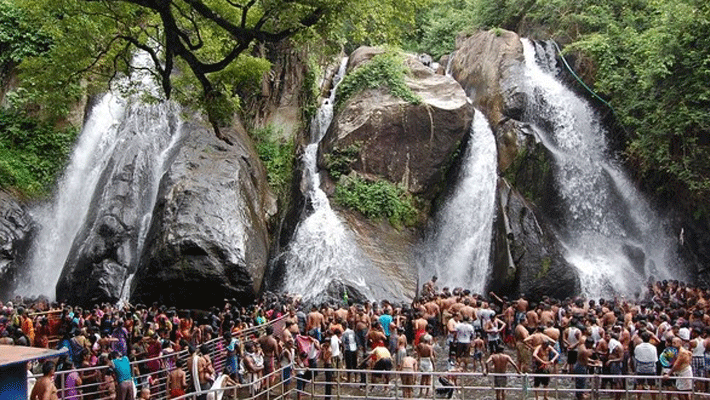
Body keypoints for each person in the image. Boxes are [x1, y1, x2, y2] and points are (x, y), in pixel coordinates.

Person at [633, 331, 658, 400]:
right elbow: (655, 359)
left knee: (639, 384)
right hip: (651, 368)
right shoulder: (653, 347)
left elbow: (636, 357)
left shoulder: (638, 347)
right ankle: (654, 398)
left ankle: (638, 398)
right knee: (652, 385)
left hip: (640, 367)